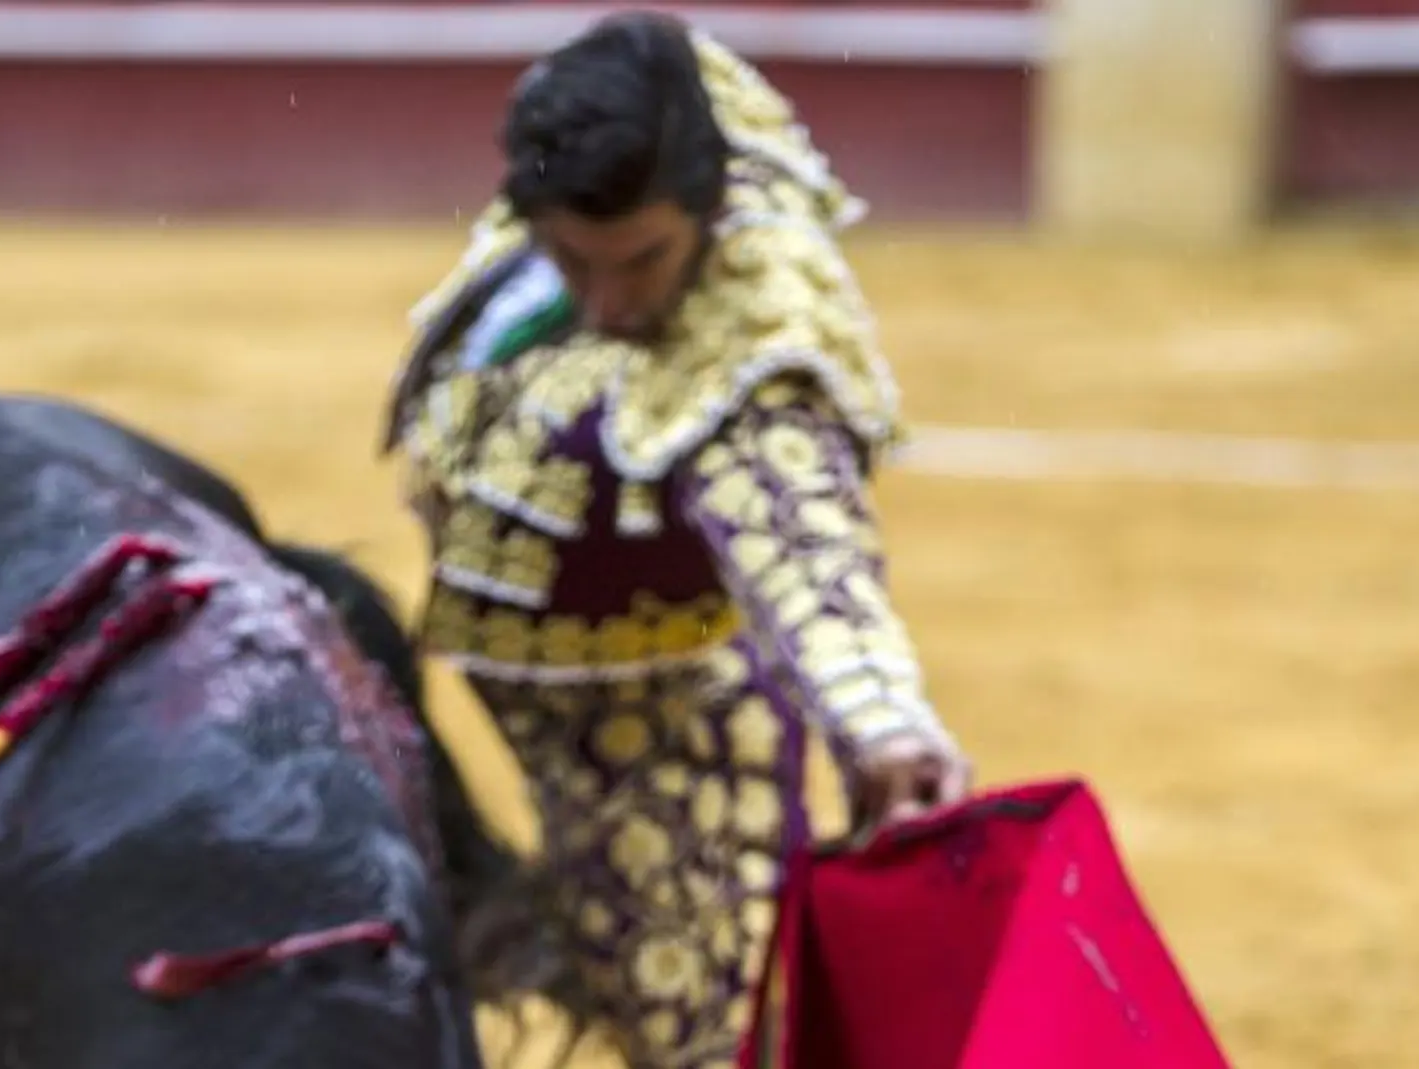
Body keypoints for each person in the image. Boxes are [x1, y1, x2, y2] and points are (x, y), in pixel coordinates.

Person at [379, 13, 973, 1067]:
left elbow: (806, 548)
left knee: (708, 1040)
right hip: (546, 722)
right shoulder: (626, 144)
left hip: (670, 754)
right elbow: (660, 60)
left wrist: (882, 722)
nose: (609, 302)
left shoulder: (753, 337)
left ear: (707, 204)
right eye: (572, 259)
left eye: (645, 262)